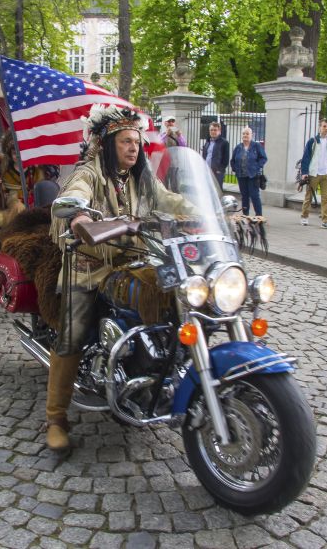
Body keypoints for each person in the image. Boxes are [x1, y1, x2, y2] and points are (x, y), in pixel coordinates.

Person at [44, 105, 193, 452]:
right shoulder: (90, 172)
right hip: (89, 265)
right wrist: (79, 217)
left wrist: (208, 212)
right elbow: (74, 195)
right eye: (125, 141)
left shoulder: (141, 179)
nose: (133, 148)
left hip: (134, 260)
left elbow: (169, 199)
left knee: (179, 297)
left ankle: (157, 369)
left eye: (136, 142)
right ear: (108, 145)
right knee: (72, 334)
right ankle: (55, 418)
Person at [299, 119, 327, 229]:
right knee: (309, 196)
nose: (326, 128)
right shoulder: (313, 141)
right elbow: (306, 157)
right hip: (314, 173)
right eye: (324, 126)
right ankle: (304, 216)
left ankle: (326, 221)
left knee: (326, 197)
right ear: (320, 127)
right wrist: (304, 172)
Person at [230, 127, 268, 216]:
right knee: (244, 196)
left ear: (251, 135)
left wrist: (257, 167)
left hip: (253, 175)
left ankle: (258, 216)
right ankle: (245, 215)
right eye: (244, 134)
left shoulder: (256, 146)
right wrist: (235, 168)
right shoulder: (238, 147)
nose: (245, 135)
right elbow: (233, 160)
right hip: (241, 175)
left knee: (254, 196)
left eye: (247, 134)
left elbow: (263, 158)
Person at [201, 121, 229, 189]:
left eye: (215, 130)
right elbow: (204, 156)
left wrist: (220, 170)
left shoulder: (224, 143)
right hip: (207, 171)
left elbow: (226, 159)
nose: (213, 131)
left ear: (219, 131)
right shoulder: (208, 142)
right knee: (206, 190)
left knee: (217, 191)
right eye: (211, 130)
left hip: (217, 173)